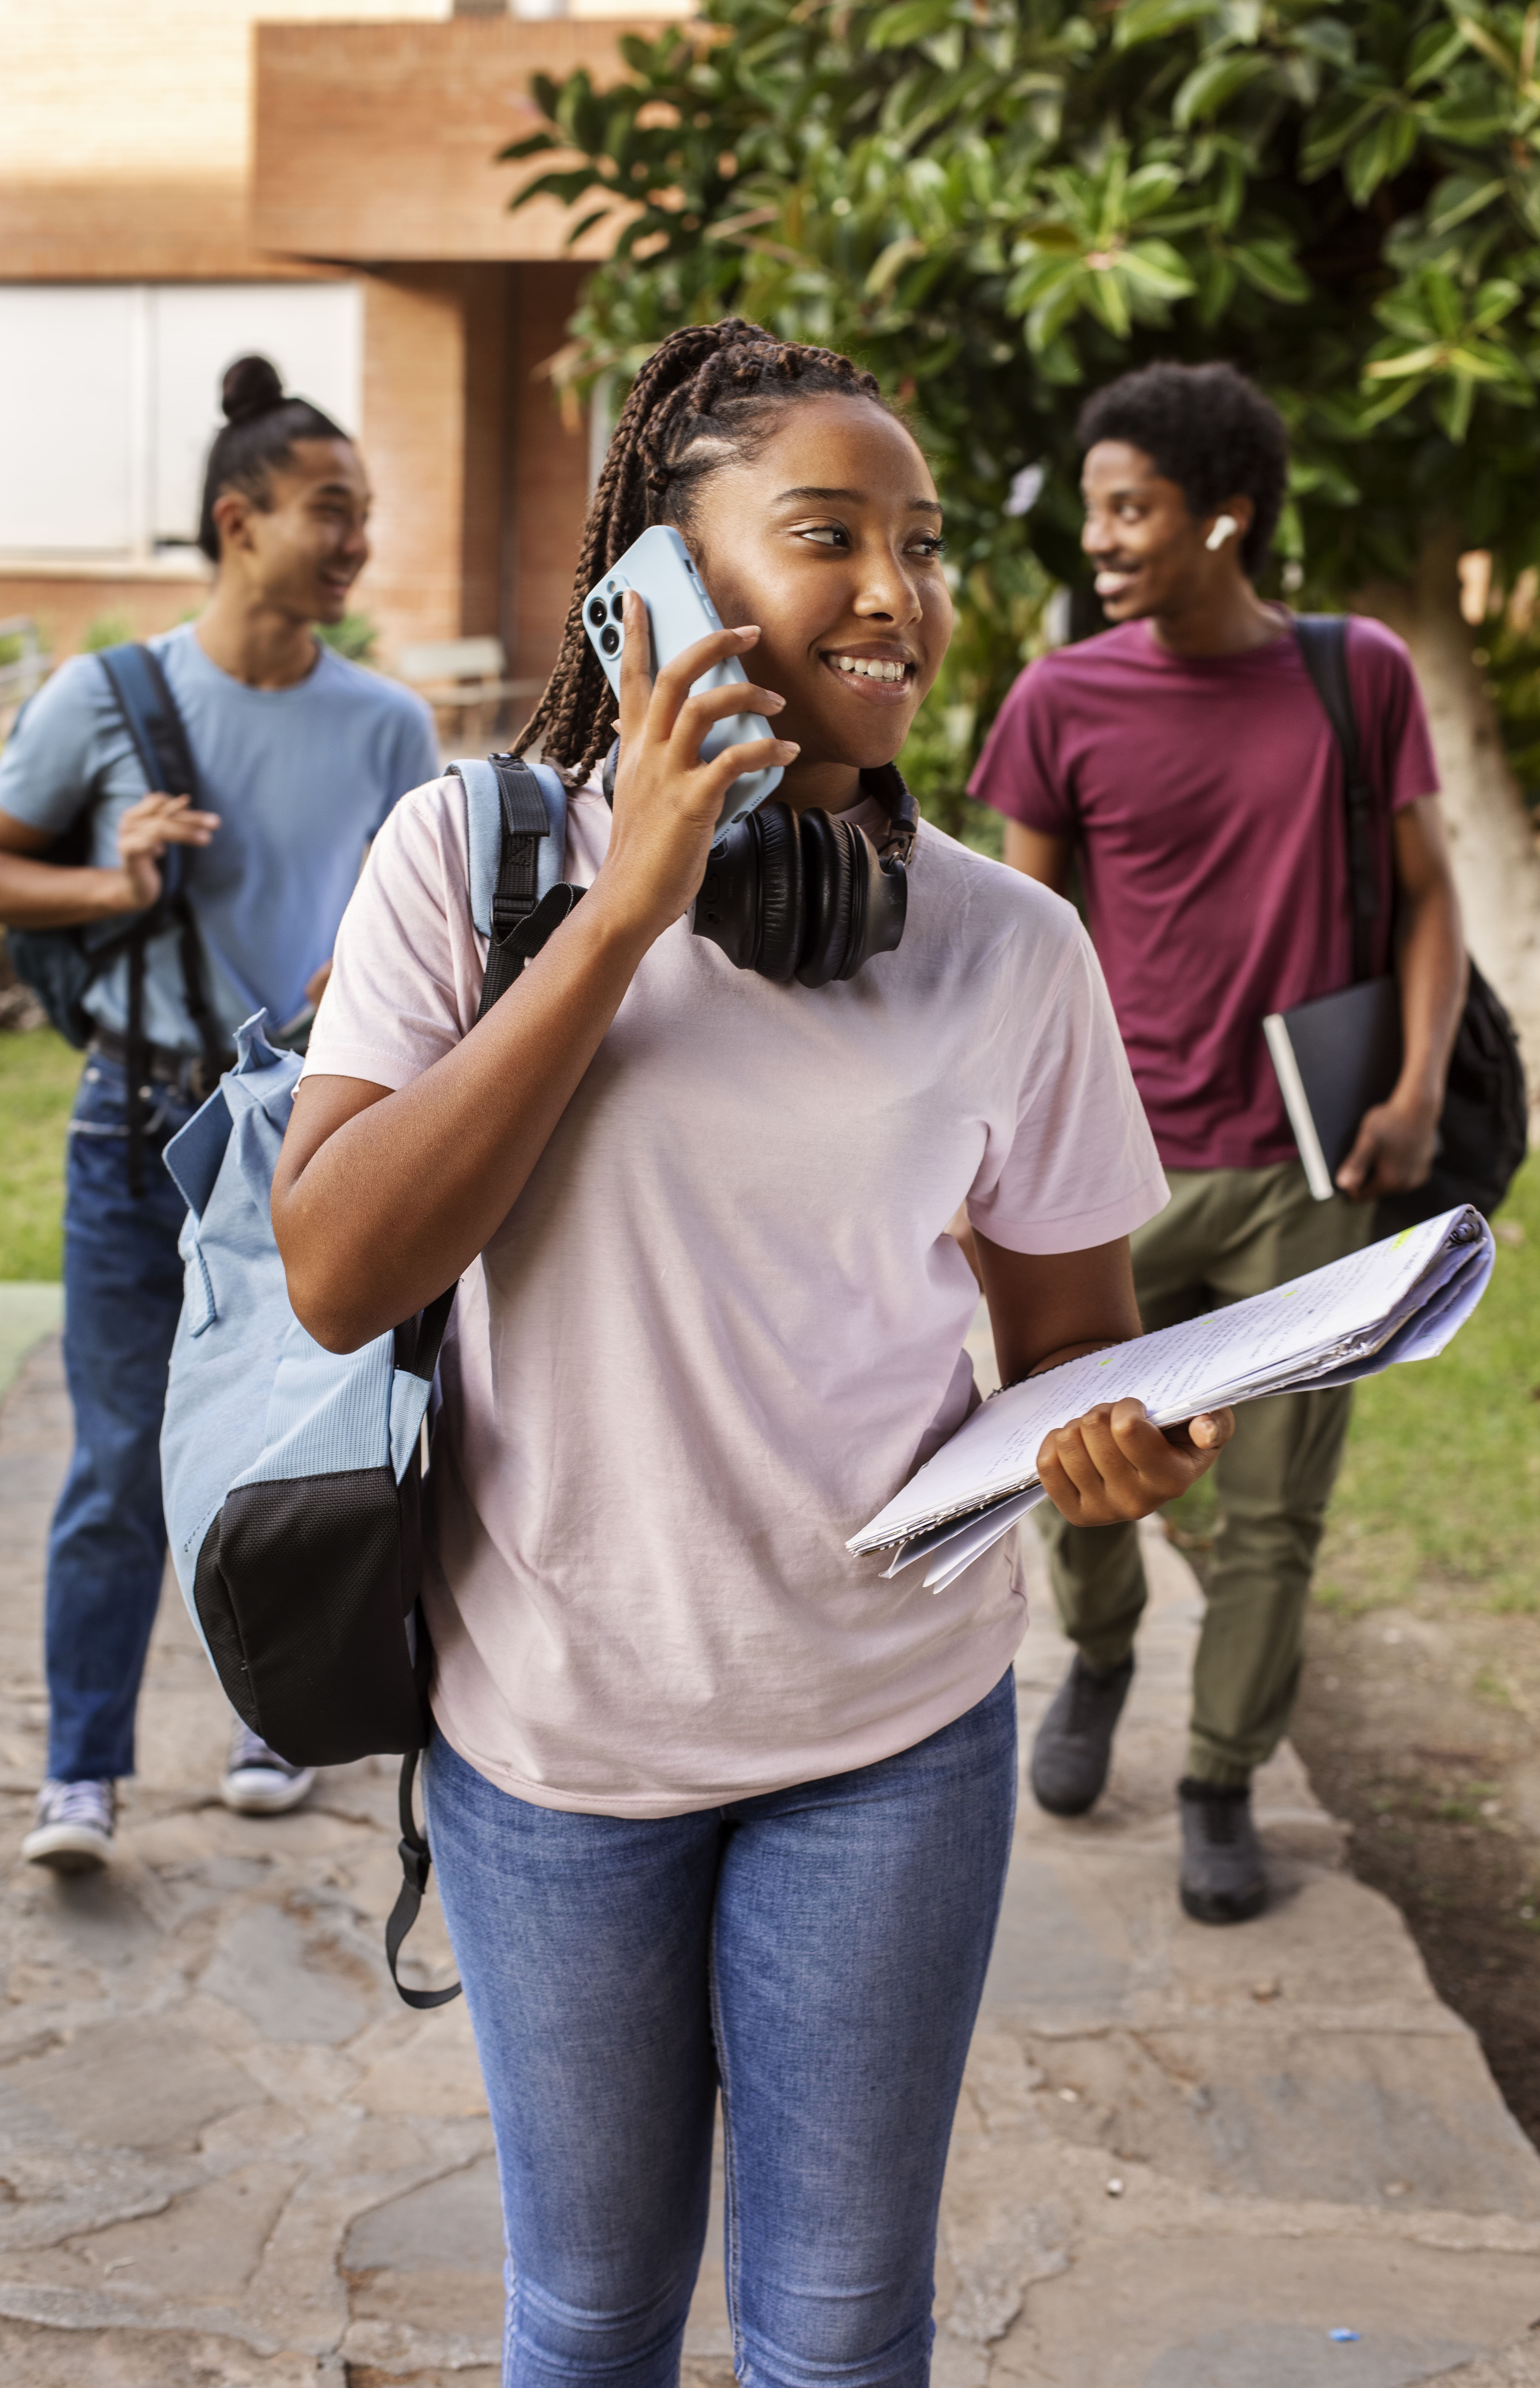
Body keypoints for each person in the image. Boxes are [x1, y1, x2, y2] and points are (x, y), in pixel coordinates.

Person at [271, 319, 1233, 2388]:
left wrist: (1110, 1446)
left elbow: (1071, 1341)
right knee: (593, 2316)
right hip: (555, 1740)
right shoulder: (469, 864)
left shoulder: (1006, 947)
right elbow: (338, 1270)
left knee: (834, 2332)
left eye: (921, 541)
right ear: (662, 590)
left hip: (886, 1735)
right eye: (825, 536)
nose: (896, 591)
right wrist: (619, 918)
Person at [969, 360, 1466, 1926]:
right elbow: (1014, 941)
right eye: (1096, 508)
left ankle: (1220, 1780)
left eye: (1134, 509)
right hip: (1105, 1174)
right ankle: (1101, 1653)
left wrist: (1417, 1089)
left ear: (1224, 519)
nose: (1103, 539)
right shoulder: (1059, 699)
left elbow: (1430, 895)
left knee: (1273, 1510)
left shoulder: (1354, 673)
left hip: (1305, 1176)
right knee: (1075, 1460)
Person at [0, 354, 438, 1869]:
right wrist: (107, 881)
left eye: (365, 514)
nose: (355, 538)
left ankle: (272, 1713)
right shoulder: (104, 695)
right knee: (120, 1454)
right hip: (132, 1126)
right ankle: (82, 1769)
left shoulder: (387, 723)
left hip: (297, 1135)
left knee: (295, 1442)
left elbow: (417, 915)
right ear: (240, 520)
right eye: (332, 509)